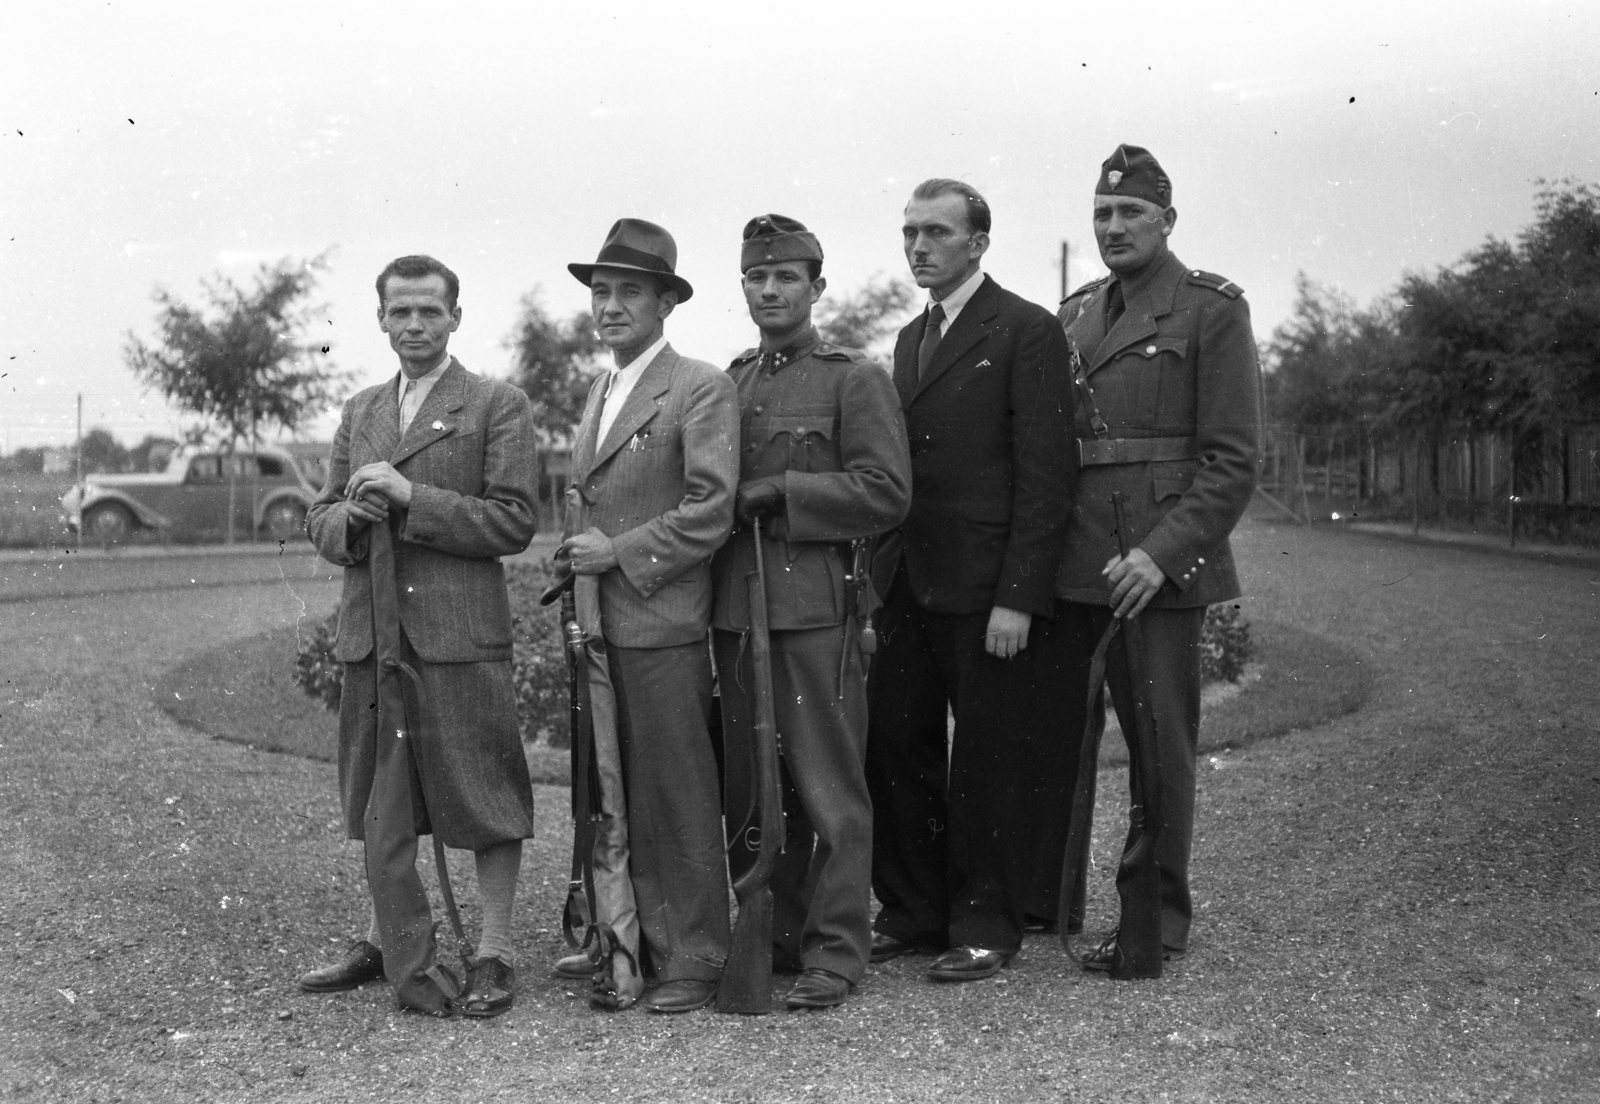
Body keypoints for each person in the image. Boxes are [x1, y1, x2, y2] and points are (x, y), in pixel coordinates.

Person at [299, 254, 539, 1018]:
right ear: (380, 319)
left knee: (484, 790)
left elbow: (513, 521)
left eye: (429, 311)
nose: (414, 325)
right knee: (381, 794)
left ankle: (494, 950)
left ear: (455, 318)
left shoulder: (497, 404)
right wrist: (351, 519)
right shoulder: (361, 409)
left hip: (458, 636)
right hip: (375, 636)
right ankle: (388, 938)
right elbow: (320, 518)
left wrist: (410, 498)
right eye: (399, 311)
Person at [1053, 144, 1262, 974]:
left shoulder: (1211, 309)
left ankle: (1154, 921)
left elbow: (1233, 461)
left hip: (1155, 569)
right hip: (1077, 561)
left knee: (1159, 745)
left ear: (1167, 221)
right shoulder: (1074, 313)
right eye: (1102, 213)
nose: (1113, 226)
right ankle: (1054, 907)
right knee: (1062, 743)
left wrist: (1161, 555)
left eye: (1131, 212)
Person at [865, 179, 1075, 981]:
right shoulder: (910, 338)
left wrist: (1018, 597)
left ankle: (986, 923)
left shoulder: (1026, 329)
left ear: (978, 242)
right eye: (910, 232)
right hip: (911, 584)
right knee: (898, 745)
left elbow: (1046, 476)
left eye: (937, 232)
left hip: (988, 592)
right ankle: (915, 910)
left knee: (988, 759)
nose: (919, 246)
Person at [712, 215, 911, 1009]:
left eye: (786, 277)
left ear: (816, 288)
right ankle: (780, 934)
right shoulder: (730, 382)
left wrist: (785, 492)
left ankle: (836, 949)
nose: (770, 290)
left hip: (815, 612)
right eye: (757, 277)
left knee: (830, 789)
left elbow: (886, 493)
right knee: (755, 791)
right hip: (737, 611)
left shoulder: (851, 380)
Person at [555, 218, 740, 1013]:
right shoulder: (602, 389)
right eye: (601, 292)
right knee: (613, 789)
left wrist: (617, 553)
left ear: (667, 302)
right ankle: (627, 941)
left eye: (630, 291)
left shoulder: (698, 385)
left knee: (676, 793)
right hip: (599, 623)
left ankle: (698, 953)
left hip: (660, 622)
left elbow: (711, 509)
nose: (610, 306)